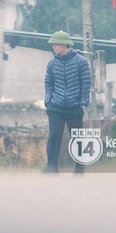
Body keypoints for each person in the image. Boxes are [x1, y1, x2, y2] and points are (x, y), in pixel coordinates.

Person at [43, 30, 91, 174]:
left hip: (74, 107)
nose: (53, 47)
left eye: (55, 44)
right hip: (55, 107)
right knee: (53, 138)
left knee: (77, 139)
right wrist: (48, 101)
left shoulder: (81, 62)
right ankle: (52, 167)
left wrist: (83, 103)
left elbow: (86, 83)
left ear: (64, 45)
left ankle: (79, 168)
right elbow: (48, 83)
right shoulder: (51, 63)